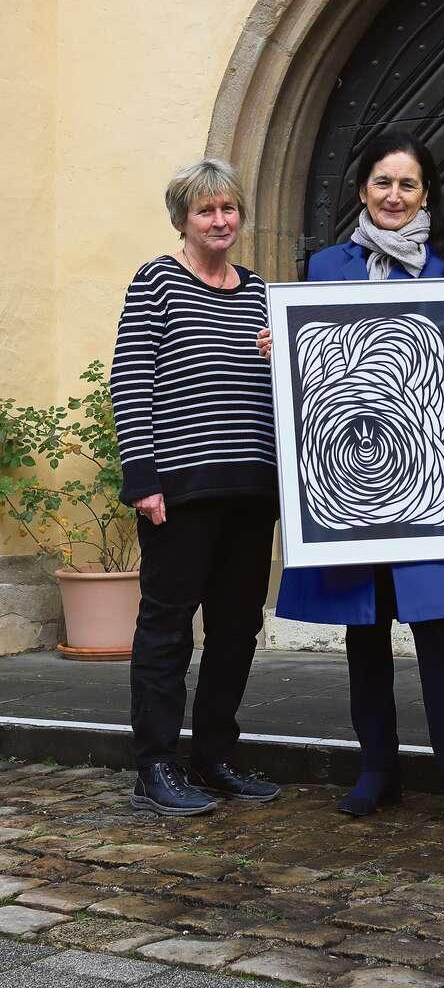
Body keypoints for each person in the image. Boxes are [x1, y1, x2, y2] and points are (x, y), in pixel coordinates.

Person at [259, 131, 444, 828]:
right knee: (361, 633)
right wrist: (279, 349)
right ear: (361, 189)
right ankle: (378, 769)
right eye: (381, 183)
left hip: (427, 480)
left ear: (425, 194)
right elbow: (309, 378)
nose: (393, 196)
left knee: (436, 630)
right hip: (350, 477)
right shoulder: (325, 265)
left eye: (406, 185)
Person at [110, 158, 280, 816]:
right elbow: (131, 379)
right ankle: (153, 766)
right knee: (166, 628)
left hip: (249, 488)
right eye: (206, 210)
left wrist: (281, 360)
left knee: (237, 629)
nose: (220, 220)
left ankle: (214, 756)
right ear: (182, 217)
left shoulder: (262, 293)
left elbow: (291, 393)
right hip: (177, 492)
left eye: (228, 209)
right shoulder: (157, 282)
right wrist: (142, 477)